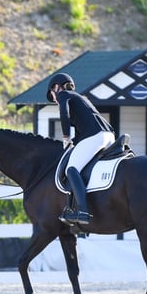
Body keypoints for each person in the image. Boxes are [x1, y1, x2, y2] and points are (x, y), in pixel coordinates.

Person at [47, 72, 115, 224]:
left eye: (53, 96)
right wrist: (73, 141)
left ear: (57, 87)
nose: (55, 100)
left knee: (71, 169)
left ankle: (83, 211)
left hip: (96, 136)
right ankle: (72, 207)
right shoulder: (81, 98)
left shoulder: (64, 95)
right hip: (108, 136)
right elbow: (80, 131)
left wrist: (65, 137)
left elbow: (64, 114)